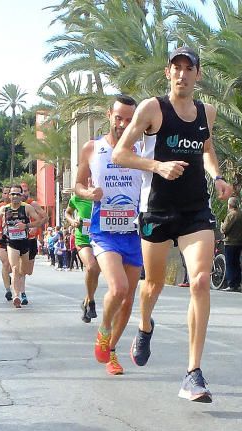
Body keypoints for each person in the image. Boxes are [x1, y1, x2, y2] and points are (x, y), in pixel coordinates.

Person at [112, 46, 233, 402]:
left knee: (199, 281)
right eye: (176, 68)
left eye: (188, 68)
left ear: (199, 74)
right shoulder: (152, 109)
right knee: (152, 286)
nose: (182, 74)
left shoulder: (206, 112)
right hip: (157, 209)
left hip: (196, 209)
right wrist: (158, 167)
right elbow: (121, 152)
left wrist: (217, 176)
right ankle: (145, 325)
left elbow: (206, 148)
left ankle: (193, 373)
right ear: (168, 73)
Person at [76, 95, 145, 376]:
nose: (123, 124)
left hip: (136, 231)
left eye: (129, 119)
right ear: (109, 115)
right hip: (104, 230)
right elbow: (78, 184)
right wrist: (88, 193)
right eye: (119, 118)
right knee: (118, 289)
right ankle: (104, 331)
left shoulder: (143, 149)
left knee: (128, 300)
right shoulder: (92, 148)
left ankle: (112, 350)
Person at [0, 185, 44, 308]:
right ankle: (16, 296)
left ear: (21, 196)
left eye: (17, 194)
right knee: (15, 268)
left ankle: (21, 290)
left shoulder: (27, 207)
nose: (15, 196)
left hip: (25, 243)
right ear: (9, 196)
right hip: (12, 243)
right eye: (13, 194)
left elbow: (40, 220)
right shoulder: (5, 209)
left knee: (24, 271)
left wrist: (27, 226)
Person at [66, 194, 99, 322]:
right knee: (91, 267)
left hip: (101, 239)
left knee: (95, 273)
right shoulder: (77, 198)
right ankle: (91, 302)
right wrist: (72, 221)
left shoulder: (104, 195)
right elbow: (68, 213)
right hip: (83, 239)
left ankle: (85, 303)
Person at [220, 197, 242, 291]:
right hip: (239, 242)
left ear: (229, 205)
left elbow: (224, 229)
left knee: (230, 263)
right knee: (236, 263)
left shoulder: (231, 215)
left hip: (230, 242)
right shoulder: (241, 214)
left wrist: (222, 225)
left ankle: (231, 284)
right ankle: (237, 283)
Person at [0, 213, 14, 301]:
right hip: (2, 239)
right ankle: (8, 290)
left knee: (14, 266)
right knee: (5, 263)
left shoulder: (24, 205)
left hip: (15, 238)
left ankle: (9, 276)